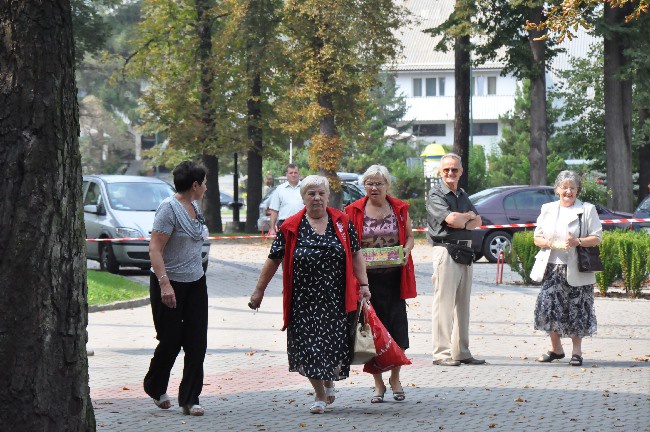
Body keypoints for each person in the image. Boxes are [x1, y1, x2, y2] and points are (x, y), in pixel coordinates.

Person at [248, 175, 371, 414]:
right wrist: (258, 291)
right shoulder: (290, 227)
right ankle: (319, 393)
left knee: (333, 347)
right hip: (303, 300)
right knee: (309, 348)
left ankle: (328, 380)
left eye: (320, 193)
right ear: (303, 197)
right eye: (311, 194)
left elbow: (356, 254)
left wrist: (363, 284)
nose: (316, 198)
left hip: (335, 298)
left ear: (327, 196)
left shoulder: (342, 222)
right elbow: (273, 260)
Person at [345, 164, 417, 404]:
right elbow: (349, 246)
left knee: (397, 332)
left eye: (379, 183)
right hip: (367, 283)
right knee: (371, 334)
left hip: (395, 280)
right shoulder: (353, 210)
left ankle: (395, 378)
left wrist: (406, 250)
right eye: (369, 183)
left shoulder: (400, 208)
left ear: (387, 185)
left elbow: (409, 238)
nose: (374, 188)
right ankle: (378, 385)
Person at [143, 161, 209, 416]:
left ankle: (190, 398)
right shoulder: (168, 209)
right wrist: (165, 284)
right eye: (203, 183)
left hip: (195, 282)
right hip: (168, 284)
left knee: (196, 342)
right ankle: (155, 385)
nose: (205, 187)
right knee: (170, 341)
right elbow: (155, 249)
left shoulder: (195, 205)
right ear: (194, 185)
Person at [532, 170, 601, 367]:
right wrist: (548, 242)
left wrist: (578, 241)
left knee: (577, 309)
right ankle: (556, 349)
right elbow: (536, 238)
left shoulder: (587, 209)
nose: (568, 191)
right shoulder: (548, 208)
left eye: (572, 187)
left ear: (578, 190)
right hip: (552, 267)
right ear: (557, 189)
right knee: (548, 307)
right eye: (564, 187)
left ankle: (577, 352)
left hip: (577, 268)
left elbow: (597, 237)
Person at [427, 153, 485, 366]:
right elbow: (450, 219)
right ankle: (441, 354)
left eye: (454, 169)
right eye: (446, 170)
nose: (450, 173)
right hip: (446, 251)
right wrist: (465, 218)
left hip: (466, 251)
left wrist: (465, 219)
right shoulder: (436, 194)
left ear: (461, 171)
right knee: (443, 305)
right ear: (441, 172)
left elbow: (477, 221)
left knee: (463, 305)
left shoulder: (462, 194)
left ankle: (461, 351)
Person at [268, 164, 303, 236]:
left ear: (299, 173)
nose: (293, 175)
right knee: (284, 247)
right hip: (285, 224)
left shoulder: (305, 188)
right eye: (291, 173)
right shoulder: (279, 189)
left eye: (295, 172)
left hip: (303, 224)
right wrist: (272, 228)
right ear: (287, 174)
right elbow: (274, 211)